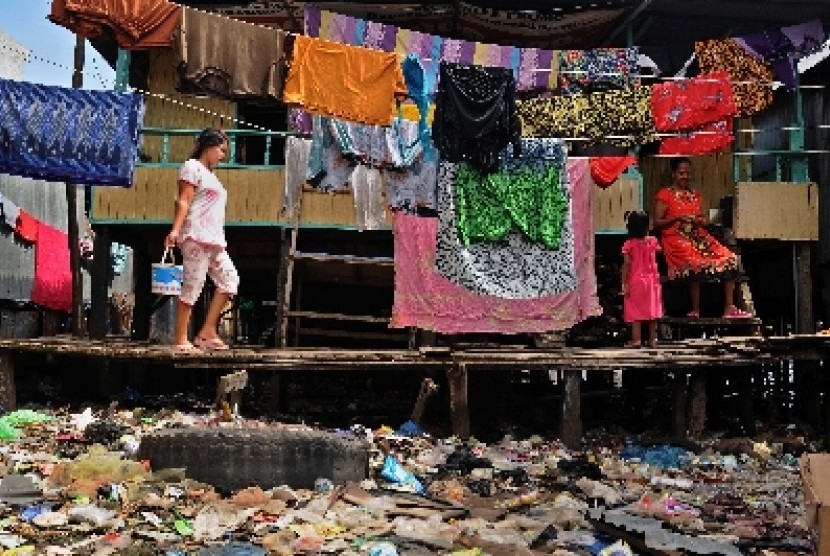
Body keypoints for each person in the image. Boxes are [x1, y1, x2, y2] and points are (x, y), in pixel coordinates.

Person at [165, 128, 239, 351]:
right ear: (209, 146)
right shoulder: (192, 167)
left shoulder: (211, 176)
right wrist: (175, 231)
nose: (223, 155)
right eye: (221, 149)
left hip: (214, 239)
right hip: (195, 236)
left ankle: (207, 331)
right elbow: (183, 201)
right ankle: (180, 339)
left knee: (230, 280)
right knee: (193, 285)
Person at [653, 156, 751, 319]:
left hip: (698, 235)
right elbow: (657, 222)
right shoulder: (665, 194)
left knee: (730, 258)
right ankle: (695, 309)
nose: (685, 177)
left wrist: (696, 220)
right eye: (681, 173)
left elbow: (703, 220)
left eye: (688, 173)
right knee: (694, 260)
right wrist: (677, 218)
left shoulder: (695, 195)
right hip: (675, 238)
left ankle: (729, 307)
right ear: (673, 174)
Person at [622, 210, 663, 348]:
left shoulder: (629, 244)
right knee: (652, 310)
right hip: (652, 280)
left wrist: (623, 282)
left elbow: (626, 265)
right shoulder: (653, 241)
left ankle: (636, 340)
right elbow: (657, 254)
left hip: (635, 280)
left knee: (634, 310)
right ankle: (652, 340)